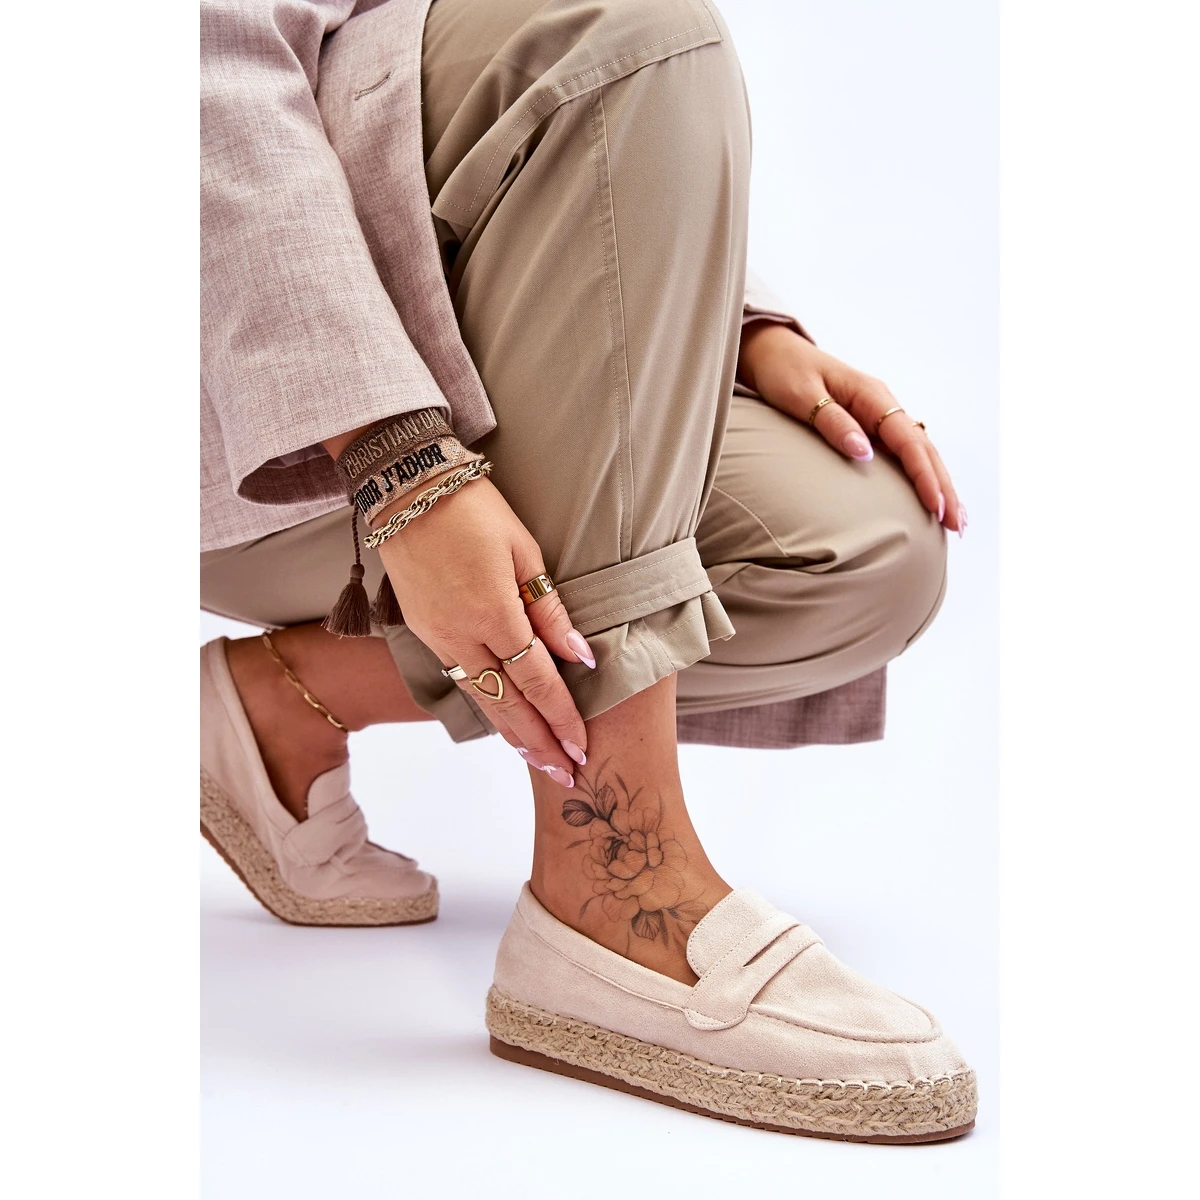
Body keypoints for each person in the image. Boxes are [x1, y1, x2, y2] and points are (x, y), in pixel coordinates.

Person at [201, 0, 975, 1142]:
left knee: (861, 555)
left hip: (442, 295)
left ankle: (280, 702)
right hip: (260, 399)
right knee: (629, 21)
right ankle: (610, 885)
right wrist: (394, 456)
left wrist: (739, 325)